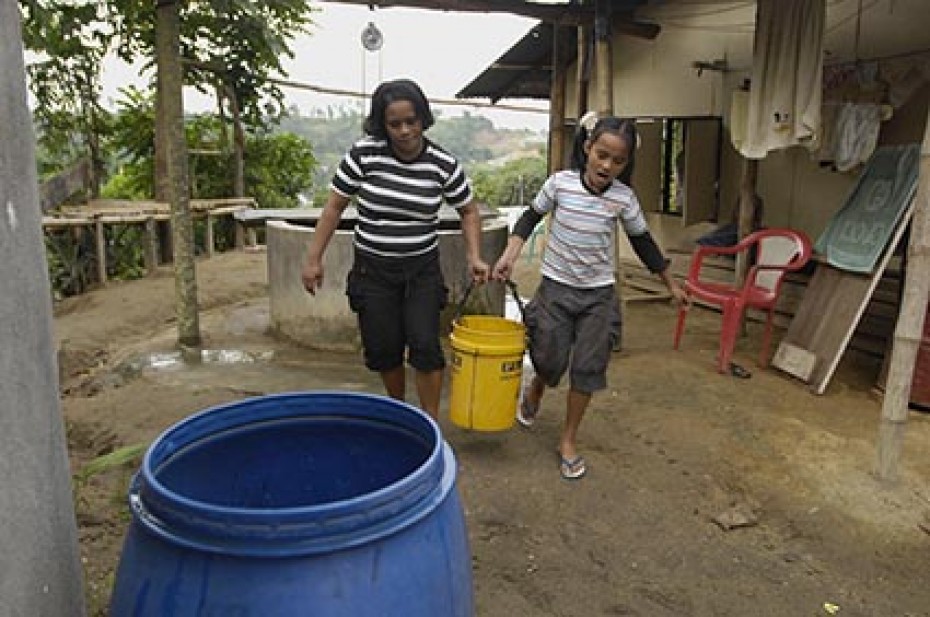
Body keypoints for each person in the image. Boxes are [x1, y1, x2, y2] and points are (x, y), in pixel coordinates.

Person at [492, 115, 687, 480]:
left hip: (598, 295)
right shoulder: (560, 185)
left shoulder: (623, 200)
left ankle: (568, 439)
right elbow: (529, 219)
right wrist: (510, 254)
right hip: (555, 289)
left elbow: (644, 244)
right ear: (587, 149)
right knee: (549, 361)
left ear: (625, 164)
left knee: (588, 369)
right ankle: (537, 387)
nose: (607, 166)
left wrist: (670, 283)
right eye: (601, 155)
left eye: (618, 161)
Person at [301, 78, 489, 420]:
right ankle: (400, 413)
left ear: (423, 119)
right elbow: (333, 208)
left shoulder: (442, 164)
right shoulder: (364, 155)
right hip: (372, 271)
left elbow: (469, 210)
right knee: (384, 350)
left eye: (411, 121)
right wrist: (314, 259)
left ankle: (429, 423)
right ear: (382, 124)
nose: (404, 130)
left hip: (421, 271)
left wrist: (474, 256)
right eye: (394, 124)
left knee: (425, 346)